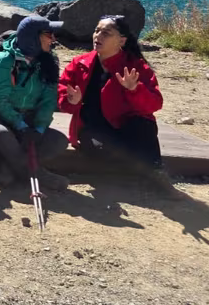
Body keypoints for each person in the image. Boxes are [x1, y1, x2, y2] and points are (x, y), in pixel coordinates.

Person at [59, 16, 173, 192]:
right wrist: (71, 101)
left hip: (125, 127)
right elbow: (62, 96)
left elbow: (154, 104)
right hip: (93, 128)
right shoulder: (79, 64)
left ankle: (157, 174)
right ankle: (134, 171)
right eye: (97, 31)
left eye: (106, 33)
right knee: (98, 151)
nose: (98, 36)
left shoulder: (135, 66)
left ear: (122, 41)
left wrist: (135, 89)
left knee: (145, 126)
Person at [0, 16, 70, 190]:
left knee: (59, 141)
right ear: (32, 38)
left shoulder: (48, 61)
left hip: (29, 122)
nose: (53, 39)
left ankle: (8, 168)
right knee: (1, 133)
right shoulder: (4, 60)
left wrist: (40, 128)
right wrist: (20, 125)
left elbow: (48, 100)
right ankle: (38, 174)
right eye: (48, 35)